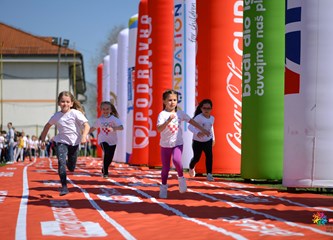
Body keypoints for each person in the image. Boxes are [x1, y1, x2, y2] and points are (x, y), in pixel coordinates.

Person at [157, 89, 210, 198]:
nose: (172, 102)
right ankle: (163, 187)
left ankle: (181, 179)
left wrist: (203, 130)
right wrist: (167, 121)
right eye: (170, 100)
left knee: (177, 160)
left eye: (175, 100)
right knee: (165, 167)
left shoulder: (180, 113)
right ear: (164, 101)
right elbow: (159, 129)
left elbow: (192, 121)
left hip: (178, 143)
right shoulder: (162, 114)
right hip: (165, 145)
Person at [39, 91, 90, 196]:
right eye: (62, 101)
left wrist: (84, 136)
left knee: (71, 167)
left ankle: (68, 163)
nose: (65, 104)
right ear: (58, 103)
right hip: (61, 142)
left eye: (67, 102)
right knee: (61, 162)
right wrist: (43, 140)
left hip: (74, 143)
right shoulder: (56, 116)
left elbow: (87, 126)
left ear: (71, 103)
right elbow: (47, 127)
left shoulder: (75, 113)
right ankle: (64, 186)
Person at [89, 101, 123, 178]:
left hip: (113, 141)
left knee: (110, 158)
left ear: (111, 110)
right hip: (103, 139)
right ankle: (106, 172)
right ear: (101, 110)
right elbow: (93, 128)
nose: (105, 111)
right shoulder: (100, 120)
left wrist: (114, 128)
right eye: (103, 109)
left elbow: (121, 127)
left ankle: (104, 167)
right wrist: (84, 133)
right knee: (106, 153)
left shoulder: (114, 119)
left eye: (107, 109)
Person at [188, 99, 215, 181]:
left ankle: (209, 174)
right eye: (204, 108)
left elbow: (211, 128)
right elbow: (190, 127)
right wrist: (197, 132)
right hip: (197, 141)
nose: (206, 110)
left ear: (211, 109)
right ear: (201, 108)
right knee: (197, 158)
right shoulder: (198, 117)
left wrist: (213, 138)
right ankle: (191, 167)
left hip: (208, 140)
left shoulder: (212, 118)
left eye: (208, 108)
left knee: (209, 156)